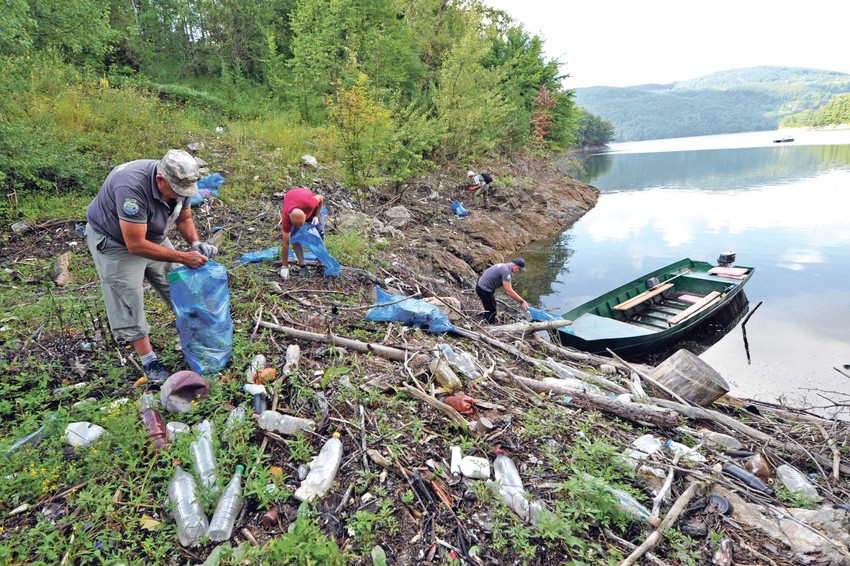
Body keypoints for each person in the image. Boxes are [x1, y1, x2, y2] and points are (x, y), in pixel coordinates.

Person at [85, 149, 218, 382]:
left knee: (179, 287)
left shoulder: (181, 183)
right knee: (128, 298)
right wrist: (182, 257)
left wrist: (195, 244)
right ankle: (149, 361)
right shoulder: (131, 189)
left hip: (152, 236)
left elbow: (184, 218)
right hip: (116, 242)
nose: (180, 195)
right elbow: (135, 245)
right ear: (160, 180)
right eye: (176, 192)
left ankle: (196, 341)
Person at [280, 187, 325, 279]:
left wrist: (315, 216)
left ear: (305, 215)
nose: (300, 228)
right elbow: (285, 243)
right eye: (297, 225)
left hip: (308, 205)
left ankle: (320, 263)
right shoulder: (286, 218)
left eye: (301, 225)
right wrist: (284, 266)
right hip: (292, 201)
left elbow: (321, 198)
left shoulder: (310, 204)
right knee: (293, 237)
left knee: (320, 234)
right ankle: (303, 265)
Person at [476, 258, 529, 324]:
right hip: (484, 289)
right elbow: (509, 291)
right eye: (519, 269)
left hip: (482, 287)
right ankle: (489, 325)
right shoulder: (506, 271)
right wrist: (521, 301)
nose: (519, 271)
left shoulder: (505, 266)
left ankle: (486, 319)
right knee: (492, 310)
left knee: (491, 306)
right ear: (515, 265)